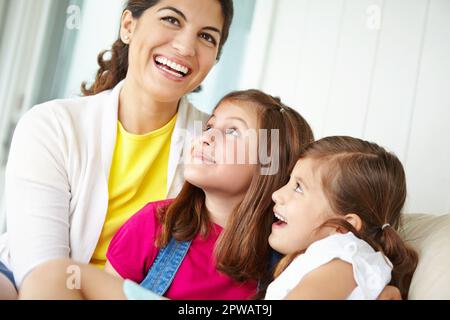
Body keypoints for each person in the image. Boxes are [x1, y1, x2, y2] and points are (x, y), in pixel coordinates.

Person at [0, 0, 234, 299]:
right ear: (128, 26)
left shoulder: (217, 146)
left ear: (214, 60)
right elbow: (42, 272)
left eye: (206, 36)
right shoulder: (52, 125)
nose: (186, 47)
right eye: (172, 20)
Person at [19, 89, 315, 299]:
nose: (207, 136)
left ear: (270, 164)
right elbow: (101, 291)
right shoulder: (157, 222)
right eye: (210, 125)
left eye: (233, 132)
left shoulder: (285, 259)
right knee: (56, 275)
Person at [264, 136, 419, 300]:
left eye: (299, 188)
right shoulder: (334, 260)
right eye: (289, 181)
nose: (276, 195)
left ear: (343, 226)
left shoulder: (343, 258)